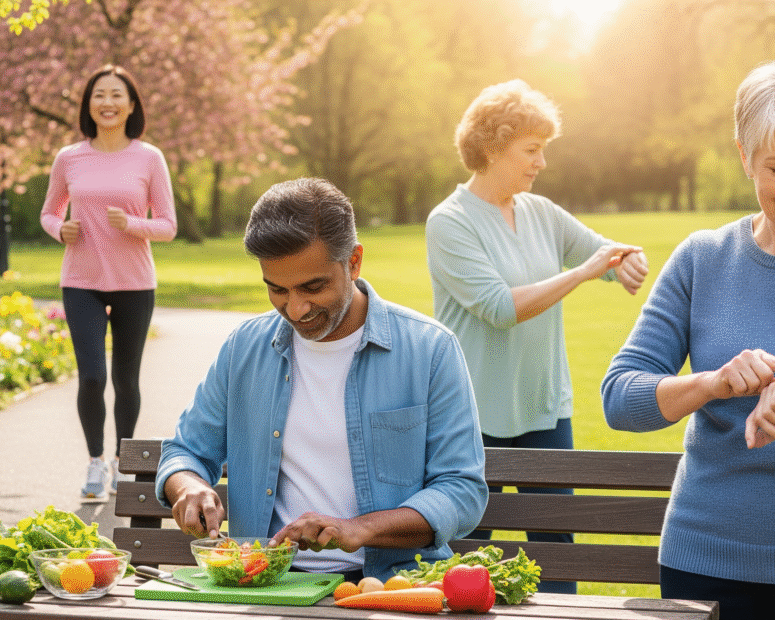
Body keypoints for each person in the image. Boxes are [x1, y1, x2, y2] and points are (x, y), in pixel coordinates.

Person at [156, 177, 487, 581]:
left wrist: (358, 529)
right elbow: (186, 450)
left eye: (313, 287)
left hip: (389, 587)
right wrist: (187, 485)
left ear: (353, 262)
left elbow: (461, 489)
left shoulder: (430, 349)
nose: (295, 310)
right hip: (265, 584)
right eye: (277, 290)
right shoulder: (244, 347)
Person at [602, 55, 775, 619]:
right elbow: (620, 397)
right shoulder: (703, 260)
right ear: (745, 157)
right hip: (704, 559)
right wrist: (712, 383)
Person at [425, 79, 648, 594]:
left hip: (544, 409)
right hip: (473, 417)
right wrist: (583, 273)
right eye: (531, 150)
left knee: (556, 552)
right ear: (491, 148)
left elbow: (606, 253)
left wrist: (626, 260)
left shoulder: (540, 213)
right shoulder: (450, 222)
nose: (541, 162)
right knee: (467, 557)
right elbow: (501, 308)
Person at [40, 65, 176, 503]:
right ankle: (96, 461)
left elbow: (169, 225)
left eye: (117, 95)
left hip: (135, 282)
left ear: (131, 104)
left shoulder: (149, 157)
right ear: (88, 105)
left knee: (127, 377)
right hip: (81, 280)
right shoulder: (69, 157)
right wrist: (59, 229)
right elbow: (49, 211)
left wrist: (135, 224)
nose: (108, 103)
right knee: (93, 377)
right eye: (99, 95)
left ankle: (124, 462)